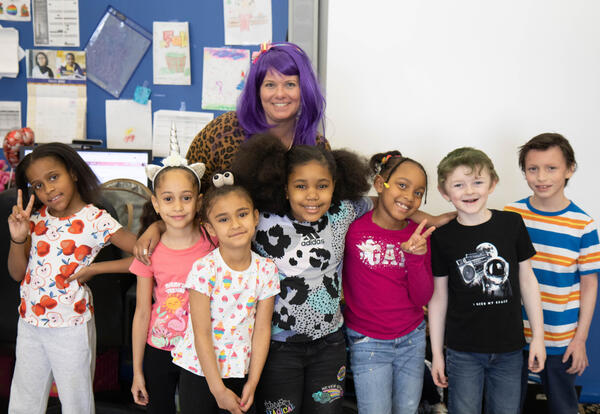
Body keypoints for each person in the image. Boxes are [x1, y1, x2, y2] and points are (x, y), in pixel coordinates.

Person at [231, 134, 372, 413]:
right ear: (284, 189)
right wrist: (155, 228)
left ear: (335, 187)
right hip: (277, 348)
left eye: (322, 186)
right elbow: (211, 215)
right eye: (300, 186)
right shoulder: (260, 220)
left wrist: (430, 217)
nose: (312, 195)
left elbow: (385, 205)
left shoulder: (343, 212)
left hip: (329, 345)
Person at [7, 142, 136, 414]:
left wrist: (97, 269)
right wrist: (18, 238)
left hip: (70, 325)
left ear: (73, 173)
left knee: (76, 403)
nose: (48, 189)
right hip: (29, 321)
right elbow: (18, 273)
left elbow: (144, 257)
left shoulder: (96, 219)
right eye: (38, 185)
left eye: (53, 177)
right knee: (23, 401)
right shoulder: (35, 219)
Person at [427, 147, 546, 414]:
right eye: (459, 185)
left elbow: (527, 281)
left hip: (510, 349)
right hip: (462, 351)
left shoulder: (511, 224)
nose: (469, 191)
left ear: (493, 184)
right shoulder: (442, 237)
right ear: (445, 193)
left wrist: (538, 337)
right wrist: (437, 354)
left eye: (477, 182)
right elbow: (439, 297)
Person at [504, 133, 600, 414]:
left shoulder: (583, 225)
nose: (541, 177)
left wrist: (580, 339)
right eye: (533, 169)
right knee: (509, 404)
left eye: (551, 168)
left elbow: (590, 285)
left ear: (570, 169)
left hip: (561, 338)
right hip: (514, 335)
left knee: (562, 405)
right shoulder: (512, 214)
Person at [171, 177, 280, 414]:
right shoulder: (204, 269)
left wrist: (253, 381)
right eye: (223, 219)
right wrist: (217, 389)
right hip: (201, 372)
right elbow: (201, 332)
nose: (235, 224)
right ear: (210, 228)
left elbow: (262, 329)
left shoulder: (266, 269)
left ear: (255, 217)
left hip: (242, 371)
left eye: (242, 214)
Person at [343, 151, 435, 414]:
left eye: (418, 192)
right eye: (402, 185)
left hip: (412, 340)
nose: (409, 197)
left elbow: (422, 298)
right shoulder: (353, 228)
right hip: (367, 342)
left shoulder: (418, 235)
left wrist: (416, 258)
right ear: (380, 183)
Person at [129, 139, 214, 413]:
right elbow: (142, 311)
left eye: (186, 198)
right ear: (156, 203)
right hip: (159, 350)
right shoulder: (149, 250)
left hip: (202, 351)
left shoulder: (213, 243)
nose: (177, 206)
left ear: (198, 201)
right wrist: (137, 371)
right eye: (168, 198)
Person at [185, 42, 328, 191]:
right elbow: (184, 186)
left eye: (290, 84)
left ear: (304, 89)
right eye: (270, 85)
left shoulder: (317, 145)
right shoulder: (222, 132)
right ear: (257, 90)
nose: (280, 94)